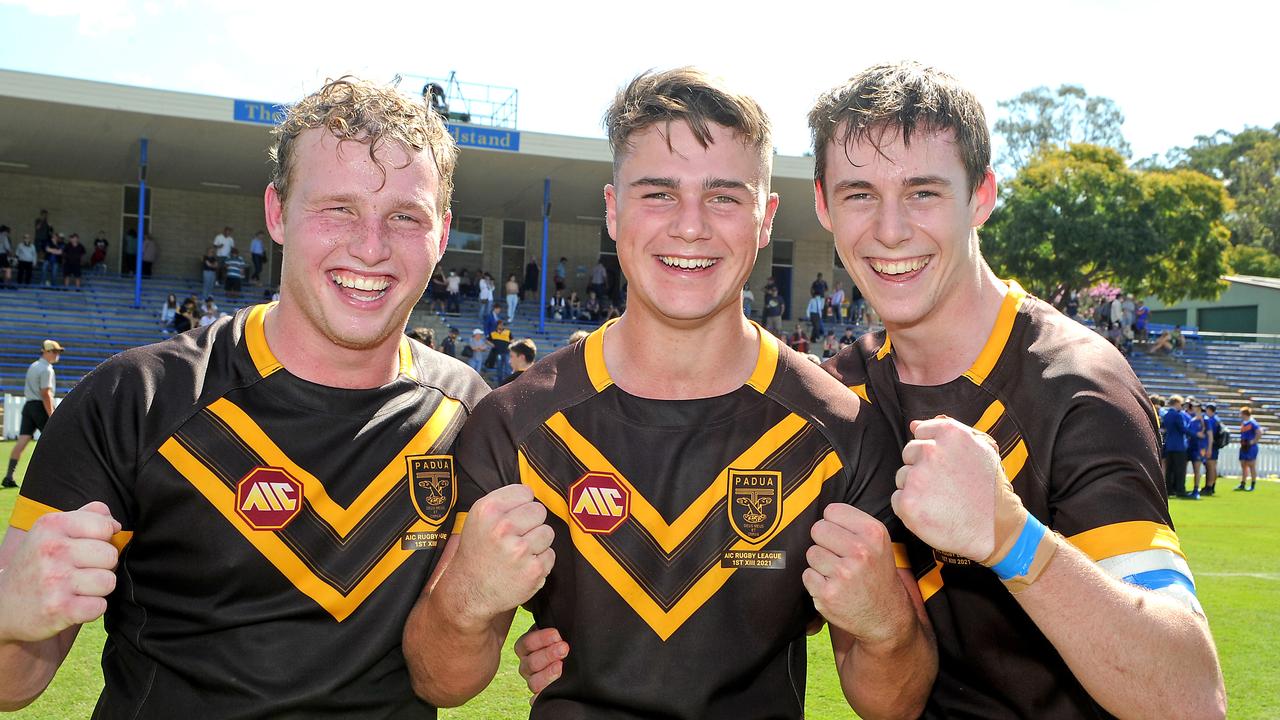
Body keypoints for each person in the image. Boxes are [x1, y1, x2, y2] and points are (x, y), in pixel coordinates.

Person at [406, 67, 932, 720]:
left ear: (765, 218)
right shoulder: (512, 424)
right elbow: (440, 682)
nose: (690, 226)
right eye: (658, 193)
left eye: (723, 197)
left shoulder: (846, 433)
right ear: (612, 208)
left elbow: (897, 703)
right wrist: (464, 600)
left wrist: (886, 626)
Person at [0, 77, 488, 717]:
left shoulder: (470, 413)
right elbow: (15, 684)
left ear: (443, 233)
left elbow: (452, 679)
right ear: (277, 211)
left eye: (405, 216)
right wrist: (10, 613)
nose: (371, 246)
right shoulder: (137, 397)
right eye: (337, 208)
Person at [801, 61, 1222, 718]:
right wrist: (883, 630)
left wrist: (1010, 539)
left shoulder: (1077, 385)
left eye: (923, 192)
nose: (889, 230)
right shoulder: (842, 397)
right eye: (859, 194)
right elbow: (889, 704)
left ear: (982, 196)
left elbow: (1192, 700)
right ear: (823, 204)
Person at [2, 341, 63, 489]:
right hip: (40, 406)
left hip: (29, 405)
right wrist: (52, 414)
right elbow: (46, 393)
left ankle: (9, 476)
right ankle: (52, 477)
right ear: (46, 352)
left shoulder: (34, 366)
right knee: (54, 442)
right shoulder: (47, 369)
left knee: (22, 441)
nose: (57, 355)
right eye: (54, 352)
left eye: (58, 352)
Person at [1161, 395, 1192, 498]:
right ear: (1177, 403)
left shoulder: (1166, 415)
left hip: (1169, 445)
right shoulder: (1178, 416)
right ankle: (1180, 490)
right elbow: (1183, 429)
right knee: (1180, 469)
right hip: (1179, 445)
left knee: (1169, 469)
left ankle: (1169, 490)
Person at [1236, 406, 1263, 492]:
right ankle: (1243, 483)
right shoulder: (1244, 423)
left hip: (1251, 447)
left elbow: (1259, 432)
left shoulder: (1252, 423)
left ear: (1245, 414)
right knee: (1243, 464)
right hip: (1244, 445)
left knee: (1251, 465)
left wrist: (1253, 441)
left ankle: (1253, 484)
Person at [1203, 403, 1223, 495]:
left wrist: (1209, 448)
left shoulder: (1211, 420)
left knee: (1210, 466)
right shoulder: (1217, 419)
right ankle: (1212, 485)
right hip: (1215, 445)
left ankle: (1209, 486)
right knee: (1213, 466)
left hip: (1211, 445)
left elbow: (1210, 435)